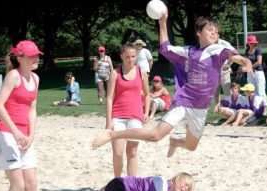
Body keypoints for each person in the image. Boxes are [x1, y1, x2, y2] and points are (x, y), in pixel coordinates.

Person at [92, 11, 253, 157]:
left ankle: (175, 142)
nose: (214, 33)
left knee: (191, 146)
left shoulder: (218, 50)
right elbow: (165, 48)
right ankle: (113, 135)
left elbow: (235, 56)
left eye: (216, 31)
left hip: (201, 108)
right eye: (209, 29)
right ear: (198, 32)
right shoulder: (189, 52)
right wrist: (163, 22)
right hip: (184, 102)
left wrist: (246, 62)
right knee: (155, 136)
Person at [0, 40, 42, 191]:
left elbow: (32, 110)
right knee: (18, 185)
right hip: (6, 133)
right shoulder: (14, 75)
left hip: (24, 136)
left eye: (37, 55)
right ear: (20, 58)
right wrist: (15, 131)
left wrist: (31, 135)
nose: (36, 58)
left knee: (31, 184)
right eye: (32, 56)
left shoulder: (36, 78)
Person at [105, 43, 150, 177]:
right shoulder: (115, 73)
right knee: (118, 152)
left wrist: (146, 112)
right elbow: (108, 98)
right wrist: (108, 122)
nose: (131, 60)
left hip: (135, 117)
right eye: (127, 57)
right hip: (117, 117)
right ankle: (117, 182)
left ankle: (131, 184)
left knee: (132, 152)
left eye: (133, 56)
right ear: (121, 57)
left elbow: (147, 95)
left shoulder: (141, 72)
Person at [244, 35, 267, 115]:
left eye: (253, 43)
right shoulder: (247, 50)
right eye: (250, 43)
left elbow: (259, 62)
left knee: (261, 91)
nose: (252, 44)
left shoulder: (258, 50)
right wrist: (246, 67)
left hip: (258, 72)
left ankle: (265, 109)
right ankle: (255, 108)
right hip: (250, 73)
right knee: (251, 90)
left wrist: (249, 67)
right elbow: (246, 61)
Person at [213, 38, 235, 106]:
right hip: (214, 72)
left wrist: (228, 64)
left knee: (227, 91)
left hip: (224, 72)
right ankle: (218, 108)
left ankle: (231, 106)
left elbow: (234, 53)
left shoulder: (224, 43)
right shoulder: (208, 44)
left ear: (217, 35)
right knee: (216, 92)